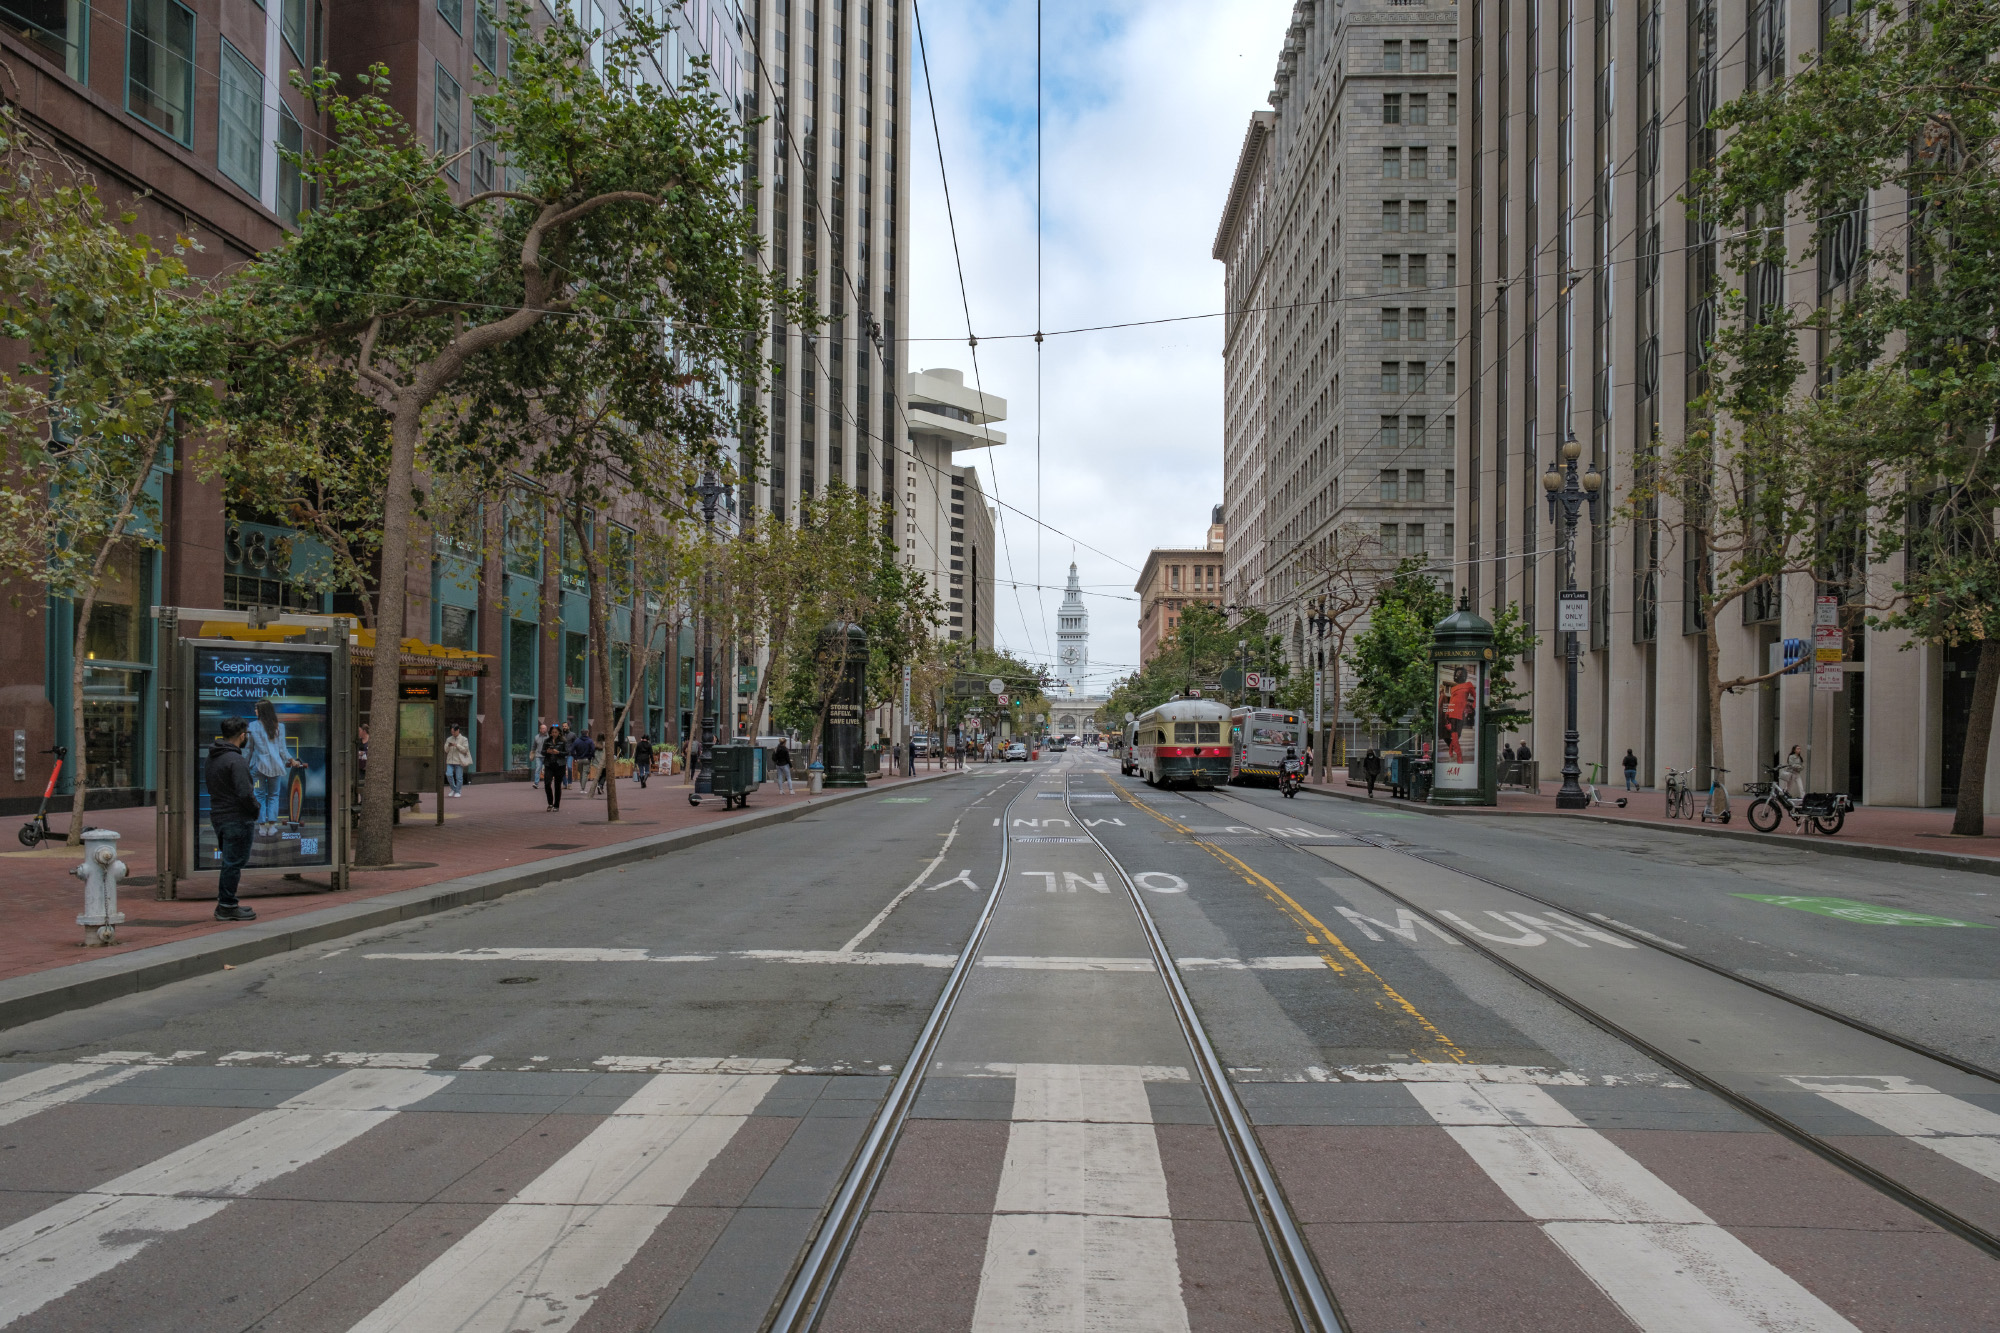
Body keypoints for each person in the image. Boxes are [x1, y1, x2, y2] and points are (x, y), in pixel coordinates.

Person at [205, 718, 260, 921]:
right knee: (234, 862)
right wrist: (255, 810)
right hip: (236, 818)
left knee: (230, 861)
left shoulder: (213, 757)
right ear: (242, 735)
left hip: (219, 815)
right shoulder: (236, 760)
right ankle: (226, 905)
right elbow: (245, 793)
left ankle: (228, 902)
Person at [246, 699, 304, 835]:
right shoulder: (279, 726)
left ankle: (261, 827)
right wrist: (292, 760)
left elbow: (249, 749)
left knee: (259, 795)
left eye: (256, 709)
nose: (255, 711)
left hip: (257, 768)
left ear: (261, 711)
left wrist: (245, 764)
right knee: (273, 796)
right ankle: (272, 826)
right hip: (276, 767)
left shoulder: (252, 726)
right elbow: (282, 749)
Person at [540, 727, 568, 811]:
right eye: (552, 732)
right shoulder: (547, 741)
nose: (554, 734)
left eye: (556, 732)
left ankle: (556, 805)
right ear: (550, 733)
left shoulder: (563, 741)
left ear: (559, 733)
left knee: (557, 785)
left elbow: (567, 752)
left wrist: (558, 752)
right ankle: (550, 803)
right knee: (547, 783)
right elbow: (542, 752)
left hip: (559, 765)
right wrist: (546, 752)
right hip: (549, 764)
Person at [443, 723, 472, 798]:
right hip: (450, 761)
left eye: (454, 732)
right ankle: (454, 789)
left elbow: (465, 750)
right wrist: (448, 746)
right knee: (448, 774)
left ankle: (458, 791)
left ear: (458, 730)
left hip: (459, 761)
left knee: (459, 777)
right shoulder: (449, 739)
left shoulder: (464, 739)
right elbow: (446, 750)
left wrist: (457, 745)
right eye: (451, 732)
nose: (453, 733)